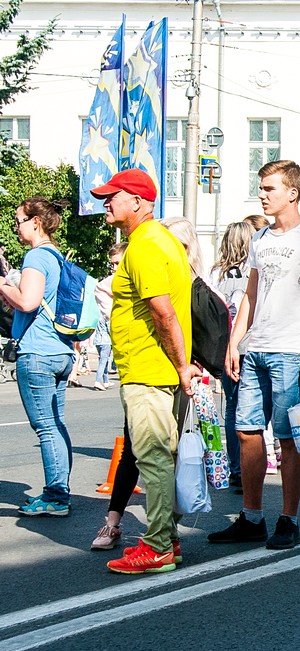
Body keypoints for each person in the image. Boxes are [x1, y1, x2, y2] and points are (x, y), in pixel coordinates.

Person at [210, 160, 300, 550]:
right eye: (261, 188)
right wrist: (234, 342)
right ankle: (251, 516)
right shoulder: (260, 239)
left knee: (287, 437)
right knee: (246, 431)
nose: (262, 195)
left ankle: (289, 519)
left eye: (269, 189)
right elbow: (250, 294)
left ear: (292, 193)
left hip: (291, 349)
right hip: (256, 348)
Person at [89, 170, 197, 573]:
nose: (105, 203)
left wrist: (183, 364)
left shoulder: (145, 245)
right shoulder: (160, 240)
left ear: (137, 201)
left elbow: (162, 311)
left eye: (111, 196)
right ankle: (165, 539)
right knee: (160, 455)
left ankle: (158, 547)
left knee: (152, 458)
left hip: (147, 367)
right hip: (155, 366)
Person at [0, 197, 78, 517]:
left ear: (36, 222)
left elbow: (28, 302)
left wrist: (2, 285)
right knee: (56, 425)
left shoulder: (35, 256)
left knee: (47, 428)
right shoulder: (57, 257)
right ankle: (59, 491)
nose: (15, 226)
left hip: (38, 353)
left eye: (18, 220)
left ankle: (56, 497)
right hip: (60, 350)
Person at [212, 221, 255, 494]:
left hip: (222, 345)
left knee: (230, 407)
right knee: (248, 409)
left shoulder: (218, 273)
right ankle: (248, 467)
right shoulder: (252, 273)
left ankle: (235, 468)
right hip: (248, 345)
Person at [92, 242, 123, 391]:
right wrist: (114, 315)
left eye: (118, 263)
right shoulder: (114, 280)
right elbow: (99, 288)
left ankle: (102, 380)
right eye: (113, 264)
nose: (115, 268)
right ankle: (100, 380)